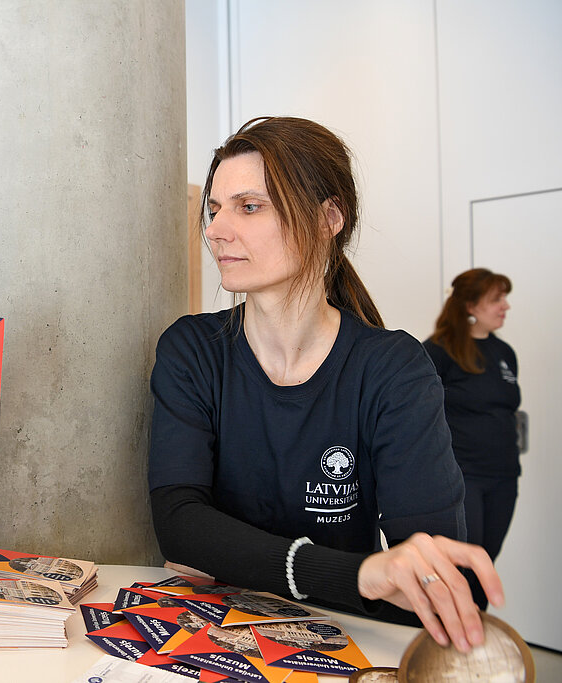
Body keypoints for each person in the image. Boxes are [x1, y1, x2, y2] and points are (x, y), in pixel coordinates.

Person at [149, 116, 503, 654]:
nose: (216, 230)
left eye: (250, 207)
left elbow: (428, 570)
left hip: (343, 644)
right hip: (210, 633)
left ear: (327, 218)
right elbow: (180, 523)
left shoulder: (393, 369)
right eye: (215, 209)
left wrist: (231, 554)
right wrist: (359, 575)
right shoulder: (192, 350)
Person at [423, 269, 520, 566]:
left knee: (487, 560)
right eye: (496, 299)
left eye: (504, 298)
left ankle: (477, 601)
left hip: (504, 475)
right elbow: (421, 414)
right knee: (465, 563)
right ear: (470, 306)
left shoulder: (504, 352)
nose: (505, 306)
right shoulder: (439, 350)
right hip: (463, 476)